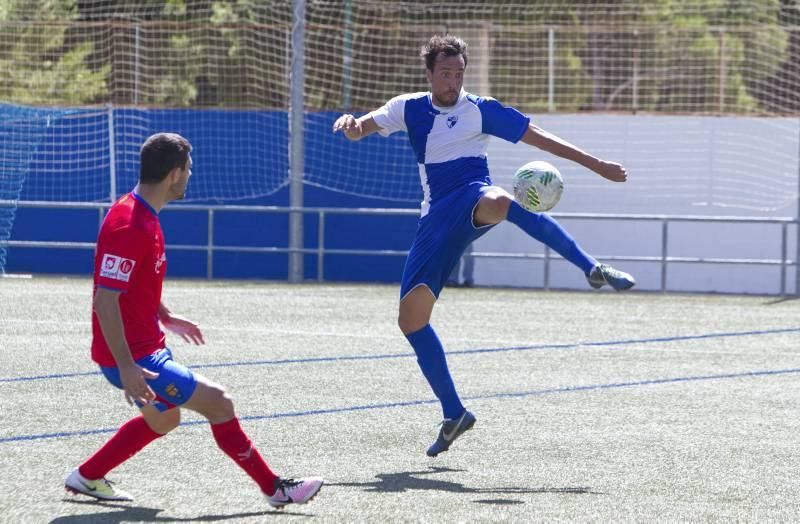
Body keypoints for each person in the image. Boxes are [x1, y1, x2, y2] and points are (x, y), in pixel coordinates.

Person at [332, 35, 635, 457]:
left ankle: (590, 267)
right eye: (445, 73)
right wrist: (350, 123)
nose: (453, 81)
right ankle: (454, 413)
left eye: (459, 73)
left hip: (473, 195)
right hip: (436, 219)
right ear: (430, 74)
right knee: (411, 321)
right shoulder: (408, 107)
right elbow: (360, 130)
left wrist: (596, 164)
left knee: (500, 201)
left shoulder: (481, 109)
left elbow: (541, 138)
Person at [64, 133, 323, 508]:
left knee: (164, 421)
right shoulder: (128, 224)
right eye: (188, 170)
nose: (189, 176)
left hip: (144, 349)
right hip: (136, 360)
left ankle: (86, 476)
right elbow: (106, 300)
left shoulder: (143, 215)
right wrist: (126, 366)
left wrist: (165, 314)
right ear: (173, 174)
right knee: (220, 402)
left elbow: (132, 284)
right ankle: (275, 488)